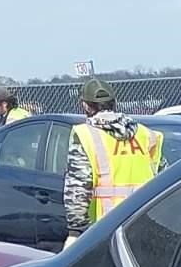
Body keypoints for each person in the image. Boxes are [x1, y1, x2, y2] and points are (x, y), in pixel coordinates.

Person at [63, 81, 164, 244]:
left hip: (106, 229)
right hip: (146, 221)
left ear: (86, 106)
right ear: (114, 103)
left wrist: (76, 230)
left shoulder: (86, 135)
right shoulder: (145, 134)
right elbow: (164, 176)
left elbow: (78, 187)